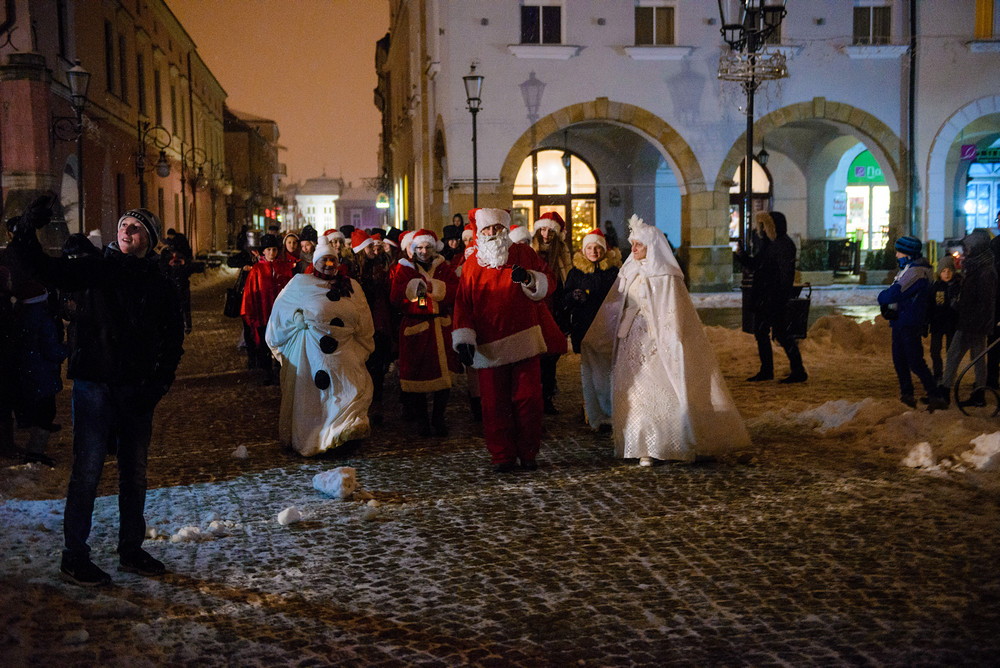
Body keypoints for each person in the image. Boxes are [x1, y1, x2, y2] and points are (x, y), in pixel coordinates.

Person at [8, 201, 183, 586]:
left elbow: (172, 338)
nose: (126, 232)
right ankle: (74, 555)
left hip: (136, 390)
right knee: (87, 472)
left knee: (133, 474)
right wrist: (24, 233)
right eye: (123, 225)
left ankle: (131, 548)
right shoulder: (97, 268)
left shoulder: (158, 283)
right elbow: (45, 269)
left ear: (149, 240)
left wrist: (159, 383)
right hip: (94, 386)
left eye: (135, 228)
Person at [581, 214, 751, 465]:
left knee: (656, 389)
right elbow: (616, 307)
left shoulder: (665, 276)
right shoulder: (629, 271)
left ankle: (664, 443)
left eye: (639, 244)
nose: (634, 248)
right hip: (631, 340)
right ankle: (641, 446)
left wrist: (669, 338)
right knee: (633, 391)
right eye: (633, 244)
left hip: (656, 342)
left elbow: (672, 312)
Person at [452, 208, 554, 472]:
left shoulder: (523, 254)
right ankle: (502, 456)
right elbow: (464, 303)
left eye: (498, 228)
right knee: (494, 406)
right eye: (488, 229)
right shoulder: (472, 265)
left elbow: (548, 282)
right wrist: (464, 337)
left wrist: (530, 279)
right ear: (480, 232)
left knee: (529, 400)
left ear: (506, 229)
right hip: (489, 346)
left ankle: (528, 452)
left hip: (524, 340)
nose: (493, 233)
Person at [266, 236, 374, 456]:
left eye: (332, 261)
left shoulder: (351, 286)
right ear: (314, 262)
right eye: (324, 261)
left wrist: (361, 341)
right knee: (315, 399)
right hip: (311, 353)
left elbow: (363, 317)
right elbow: (280, 312)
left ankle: (343, 436)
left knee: (349, 390)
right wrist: (296, 319)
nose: (328, 265)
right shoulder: (299, 284)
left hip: (345, 352)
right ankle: (317, 439)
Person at [390, 229, 460, 436]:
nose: (423, 251)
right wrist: (412, 288)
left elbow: (456, 291)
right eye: (419, 247)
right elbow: (395, 297)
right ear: (413, 249)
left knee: (444, 378)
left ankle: (438, 418)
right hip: (416, 327)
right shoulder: (404, 269)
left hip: (440, 327)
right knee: (417, 378)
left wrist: (434, 287)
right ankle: (422, 421)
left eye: (427, 247)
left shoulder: (443, 268)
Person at [736, 211, 807, 383]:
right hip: (766, 297)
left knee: (779, 333)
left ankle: (795, 370)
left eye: (763, 225)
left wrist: (780, 295)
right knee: (764, 332)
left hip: (773, 298)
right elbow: (757, 265)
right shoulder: (770, 244)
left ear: (772, 226)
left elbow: (783, 273)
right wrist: (743, 256)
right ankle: (771, 370)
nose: (760, 228)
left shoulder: (782, 244)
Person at [877, 236, 947, 410]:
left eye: (900, 251)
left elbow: (894, 293)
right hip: (902, 320)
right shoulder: (910, 269)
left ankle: (934, 395)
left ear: (909, 254)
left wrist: (882, 297)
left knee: (914, 361)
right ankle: (908, 394)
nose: (897, 255)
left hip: (909, 322)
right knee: (900, 359)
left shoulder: (915, 272)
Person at [12, 280, 68, 466]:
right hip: (41, 371)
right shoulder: (42, 318)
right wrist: (67, 350)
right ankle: (35, 452)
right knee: (46, 412)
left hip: (28, 370)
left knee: (39, 411)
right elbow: (49, 348)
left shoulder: (21, 314)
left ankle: (34, 451)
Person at [939, 228, 997, 407]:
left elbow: (985, 302)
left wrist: (975, 321)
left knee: (955, 355)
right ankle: (978, 393)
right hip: (971, 321)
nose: (966, 252)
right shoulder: (977, 267)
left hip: (972, 323)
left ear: (977, 248)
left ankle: (945, 393)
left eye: (969, 248)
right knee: (976, 358)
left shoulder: (985, 271)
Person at [350, 229, 394, 424]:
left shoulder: (378, 266)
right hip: (360, 324)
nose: (374, 250)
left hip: (378, 323)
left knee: (377, 368)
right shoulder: (352, 271)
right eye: (369, 247)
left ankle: (375, 404)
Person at [531, 212, 572, 413]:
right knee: (537, 354)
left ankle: (546, 395)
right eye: (543, 229)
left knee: (551, 354)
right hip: (536, 309)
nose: (546, 234)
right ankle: (537, 395)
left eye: (550, 231)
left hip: (555, 309)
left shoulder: (562, 252)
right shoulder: (530, 250)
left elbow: (567, 279)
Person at [241, 234, 293, 385]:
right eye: (268, 249)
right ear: (263, 251)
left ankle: (280, 370)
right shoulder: (256, 270)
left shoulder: (284, 267)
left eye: (274, 249)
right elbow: (250, 293)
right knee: (264, 343)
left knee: (281, 341)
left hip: (281, 314)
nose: (271, 252)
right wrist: (251, 312)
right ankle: (267, 372)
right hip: (263, 313)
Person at [563, 229, 622, 355]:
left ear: (604, 249)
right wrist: (574, 296)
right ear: (583, 251)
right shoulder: (575, 273)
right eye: (589, 248)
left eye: (597, 248)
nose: (593, 252)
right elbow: (565, 298)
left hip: (607, 325)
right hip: (583, 324)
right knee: (586, 363)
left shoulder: (613, 272)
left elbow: (620, 296)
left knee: (605, 361)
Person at [926, 255, 961, 385]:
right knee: (935, 351)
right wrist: (927, 320)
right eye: (943, 271)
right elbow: (929, 304)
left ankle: (950, 374)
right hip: (937, 323)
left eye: (949, 271)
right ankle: (938, 374)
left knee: (951, 352)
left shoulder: (957, 287)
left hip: (952, 324)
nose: (946, 274)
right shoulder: (936, 287)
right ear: (939, 272)